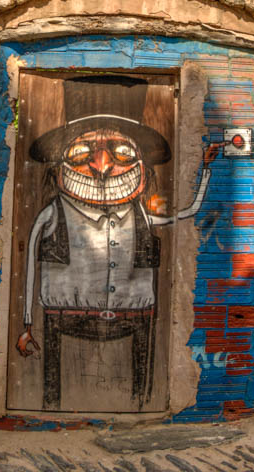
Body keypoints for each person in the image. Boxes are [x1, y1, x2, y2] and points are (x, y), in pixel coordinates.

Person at [16, 75, 219, 409]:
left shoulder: (139, 214)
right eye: (80, 152)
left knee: (142, 376)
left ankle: (143, 401)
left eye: (122, 152)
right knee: (53, 377)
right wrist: (27, 324)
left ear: (140, 163)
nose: (102, 166)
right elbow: (28, 267)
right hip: (63, 310)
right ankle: (51, 405)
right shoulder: (53, 213)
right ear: (60, 163)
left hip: (135, 310)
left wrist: (207, 170)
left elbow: (187, 212)